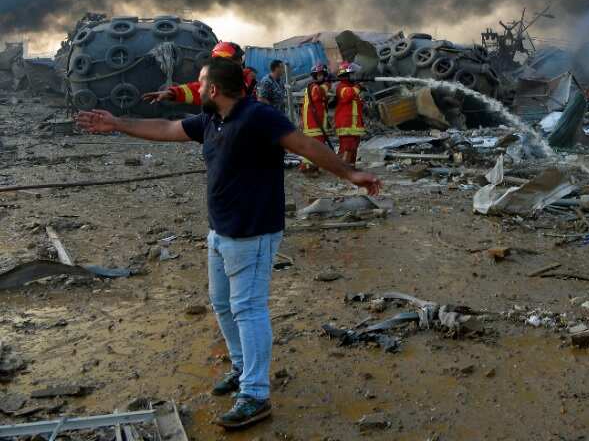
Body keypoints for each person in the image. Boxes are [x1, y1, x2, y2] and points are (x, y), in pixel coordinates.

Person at [75, 57, 381, 430]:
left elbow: (305, 146)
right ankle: (241, 367)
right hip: (221, 232)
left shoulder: (258, 117)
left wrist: (351, 173)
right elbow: (168, 128)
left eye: (201, 84)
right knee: (222, 303)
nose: (197, 89)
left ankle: (255, 395)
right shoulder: (211, 120)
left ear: (215, 89)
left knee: (248, 309)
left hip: (253, 233)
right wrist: (119, 124)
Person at [143, 41, 258, 104]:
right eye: (236, 60)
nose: (239, 63)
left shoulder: (249, 80)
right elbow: (196, 90)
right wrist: (171, 93)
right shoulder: (217, 85)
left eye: (239, 60)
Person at [299, 63, 331, 172]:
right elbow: (319, 93)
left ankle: (312, 167)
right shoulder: (314, 87)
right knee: (315, 146)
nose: (320, 76)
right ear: (314, 76)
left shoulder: (311, 86)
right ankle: (308, 168)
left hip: (315, 121)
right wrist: (328, 84)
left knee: (316, 145)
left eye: (322, 74)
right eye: (318, 75)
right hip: (313, 123)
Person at [332, 62, 364, 165]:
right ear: (346, 76)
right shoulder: (342, 87)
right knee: (347, 147)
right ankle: (343, 170)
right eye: (352, 74)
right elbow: (348, 95)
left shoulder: (352, 87)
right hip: (346, 124)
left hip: (354, 124)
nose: (354, 76)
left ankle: (351, 168)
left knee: (354, 147)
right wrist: (358, 87)